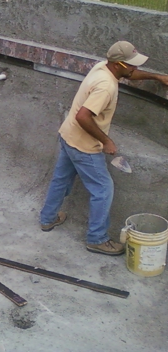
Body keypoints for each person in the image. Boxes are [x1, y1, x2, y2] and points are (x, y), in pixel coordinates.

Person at [39, 41, 168, 256]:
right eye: (131, 65)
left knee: (61, 179)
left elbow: (130, 74)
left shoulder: (103, 67)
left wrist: (155, 77)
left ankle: (48, 218)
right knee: (103, 190)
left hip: (68, 135)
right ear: (118, 64)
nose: (134, 68)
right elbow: (84, 116)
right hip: (83, 145)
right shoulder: (106, 87)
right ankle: (97, 239)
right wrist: (106, 141)